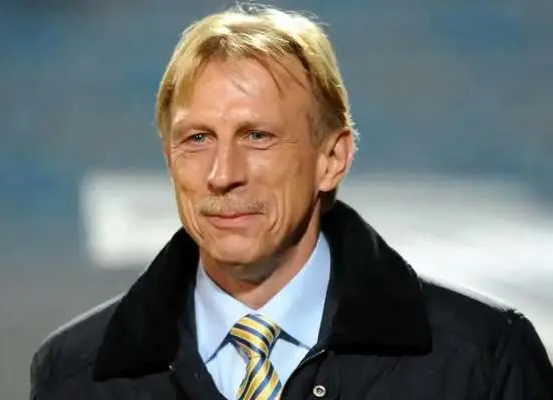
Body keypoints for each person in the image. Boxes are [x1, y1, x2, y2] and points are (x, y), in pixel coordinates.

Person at [30, 5, 553, 400]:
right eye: (197, 139)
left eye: (257, 136)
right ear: (170, 159)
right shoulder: (76, 376)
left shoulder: (479, 363)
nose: (222, 175)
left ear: (333, 158)